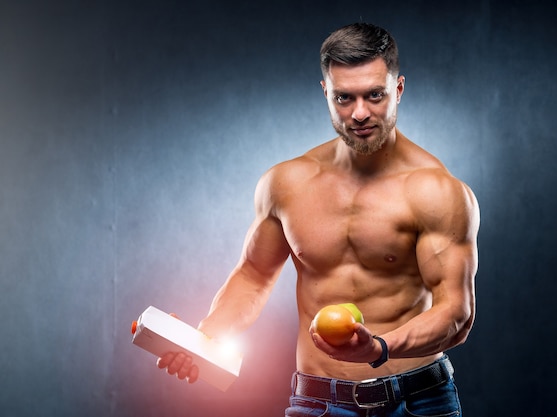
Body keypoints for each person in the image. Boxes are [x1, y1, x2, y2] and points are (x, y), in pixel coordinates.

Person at [157, 22, 480, 417]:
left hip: (418, 400)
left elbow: (457, 315)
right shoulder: (287, 183)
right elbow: (254, 275)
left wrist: (379, 348)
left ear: (397, 90)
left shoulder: (437, 192)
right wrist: (205, 336)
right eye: (344, 98)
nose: (359, 113)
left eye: (374, 95)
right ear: (326, 92)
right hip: (319, 401)